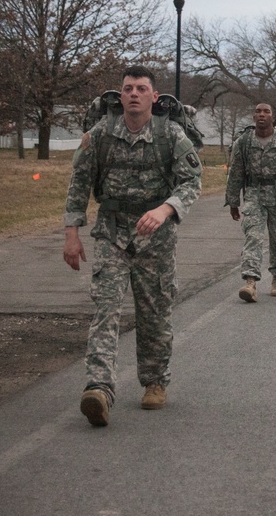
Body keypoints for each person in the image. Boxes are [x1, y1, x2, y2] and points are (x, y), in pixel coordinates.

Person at [63, 65, 203, 427]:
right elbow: (79, 183)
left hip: (155, 240)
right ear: (121, 95)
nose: (134, 94)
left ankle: (155, 380)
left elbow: (191, 182)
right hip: (111, 234)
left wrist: (165, 208)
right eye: (128, 88)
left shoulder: (171, 135)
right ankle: (99, 388)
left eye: (142, 88)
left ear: (154, 97)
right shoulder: (100, 135)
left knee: (154, 313)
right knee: (106, 309)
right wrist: (71, 233)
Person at [226, 103, 276, 303]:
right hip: (254, 193)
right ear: (254, 117)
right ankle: (250, 282)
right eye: (258, 112)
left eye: (266, 112)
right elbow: (235, 173)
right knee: (253, 236)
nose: (262, 115)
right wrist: (233, 201)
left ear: (273, 117)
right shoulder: (244, 142)